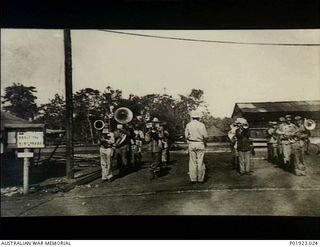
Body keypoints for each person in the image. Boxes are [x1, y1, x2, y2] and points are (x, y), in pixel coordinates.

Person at [184, 110, 208, 183]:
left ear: (192, 117)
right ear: (198, 117)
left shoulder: (188, 125)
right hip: (200, 143)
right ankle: (200, 179)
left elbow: (186, 135)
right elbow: (205, 136)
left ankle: (193, 179)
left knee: (192, 161)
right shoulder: (202, 125)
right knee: (200, 161)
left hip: (192, 143)